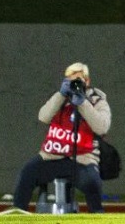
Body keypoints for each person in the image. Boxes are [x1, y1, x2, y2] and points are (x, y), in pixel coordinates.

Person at [12, 62, 111, 213]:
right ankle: (17, 213)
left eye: (78, 80)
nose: (74, 84)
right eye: (70, 80)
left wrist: (83, 103)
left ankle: (97, 215)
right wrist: (60, 95)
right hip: (51, 156)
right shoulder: (60, 98)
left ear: (87, 81)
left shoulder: (98, 101)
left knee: (92, 183)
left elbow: (102, 127)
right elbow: (43, 116)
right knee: (27, 173)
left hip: (82, 159)